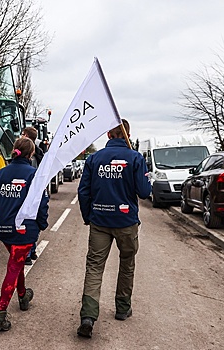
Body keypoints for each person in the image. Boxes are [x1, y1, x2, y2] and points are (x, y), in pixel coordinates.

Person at [76, 119, 151, 338]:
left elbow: (83, 192)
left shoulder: (94, 158)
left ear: (108, 135)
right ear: (127, 134)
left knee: (94, 267)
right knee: (127, 264)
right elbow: (145, 192)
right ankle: (122, 307)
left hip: (100, 221)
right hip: (126, 222)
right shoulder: (135, 158)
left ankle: (88, 316)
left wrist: (88, 216)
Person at [0, 137, 49, 331]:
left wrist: (2, 218)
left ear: (15, 151)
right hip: (24, 231)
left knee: (17, 262)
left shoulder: (1, 174)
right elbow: (41, 203)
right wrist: (41, 224)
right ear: (31, 154)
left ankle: (23, 295)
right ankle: (0, 313)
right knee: (14, 266)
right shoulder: (34, 175)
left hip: (5, 230)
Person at [20, 126, 44, 265]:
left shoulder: (34, 154)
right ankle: (32, 250)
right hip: (31, 188)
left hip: (31, 189)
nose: (21, 136)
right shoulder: (37, 153)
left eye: (23, 134)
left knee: (29, 222)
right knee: (32, 221)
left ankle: (28, 253)